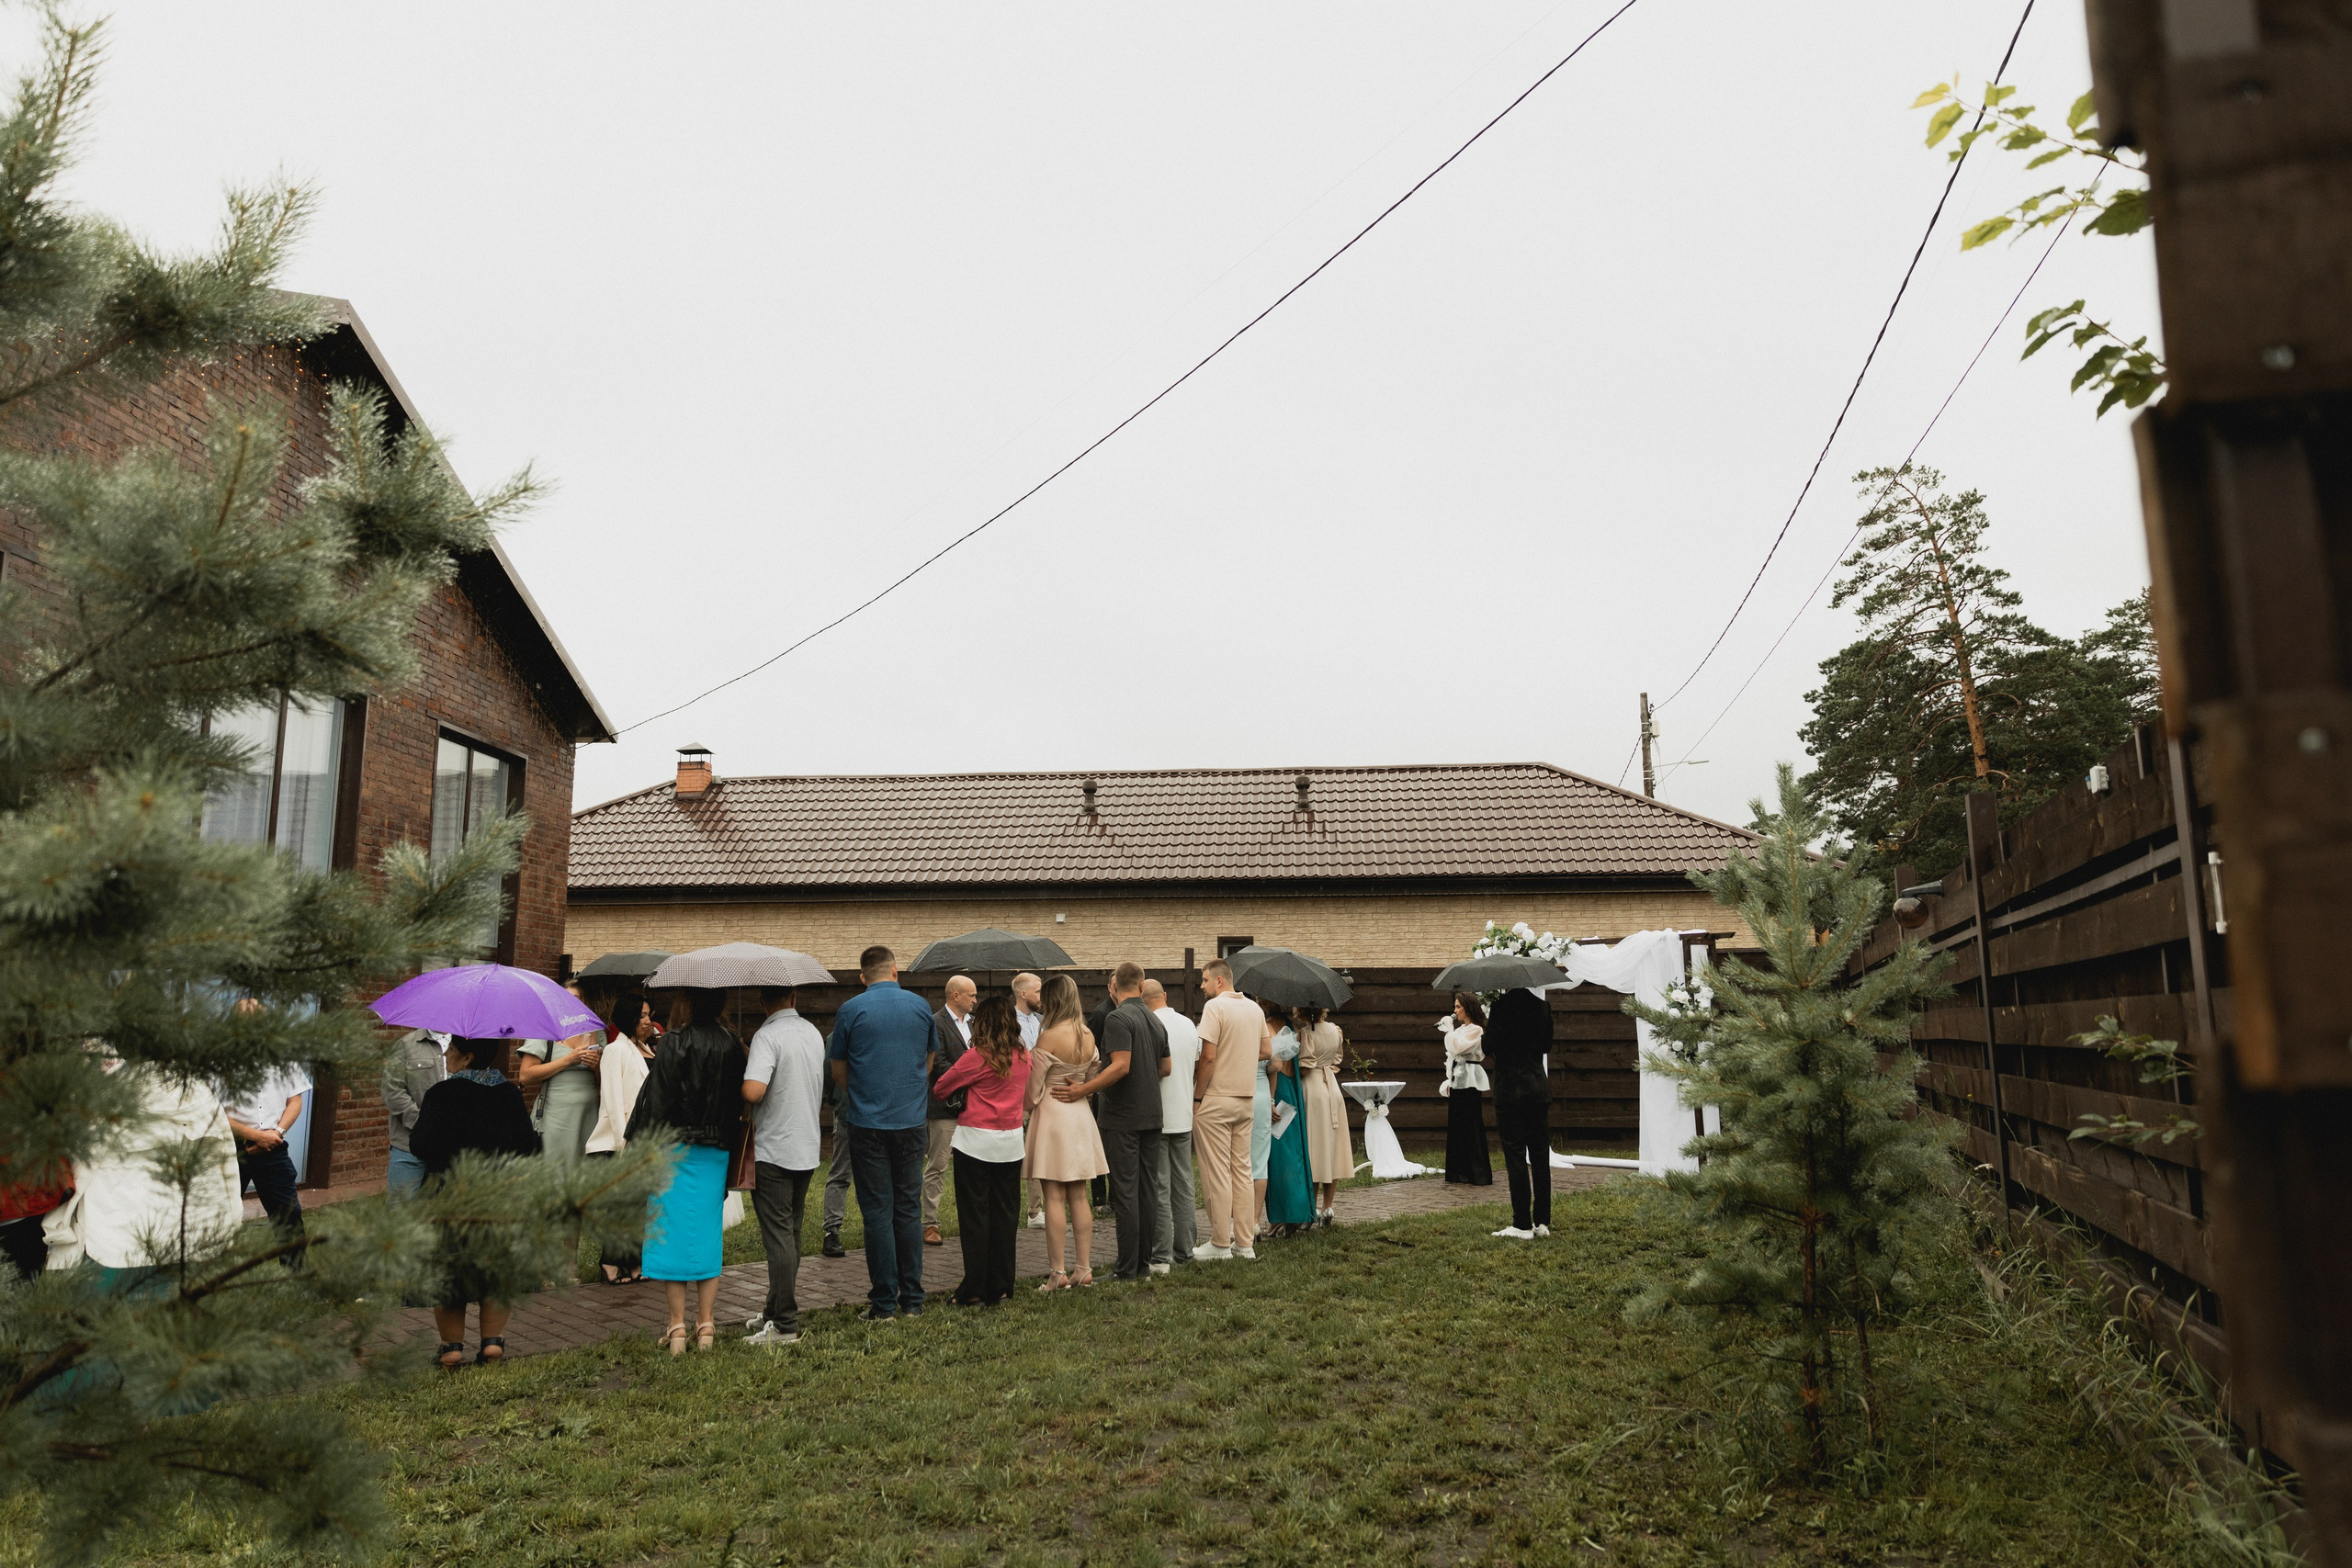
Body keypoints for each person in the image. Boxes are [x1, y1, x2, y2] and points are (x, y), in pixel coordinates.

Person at [627, 988, 747, 1351]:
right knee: (708, 1232)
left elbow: (659, 1102)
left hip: (672, 1149)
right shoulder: (731, 1045)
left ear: (688, 1003)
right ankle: (707, 1324)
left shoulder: (674, 1042)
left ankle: (677, 1327)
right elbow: (736, 1102)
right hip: (715, 1151)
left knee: (670, 1232)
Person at [409, 1036, 540, 1367]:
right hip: (498, 1199)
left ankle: (452, 1347)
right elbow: (528, 1148)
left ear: (467, 1057)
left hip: (447, 1196)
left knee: (449, 1270)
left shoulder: (440, 1094)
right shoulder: (509, 1094)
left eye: (452, 1049)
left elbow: (420, 1145)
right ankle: (492, 1342)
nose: (446, 1054)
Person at [827, 945, 937, 1321]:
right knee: (908, 1209)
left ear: (863, 977)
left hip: (867, 1123)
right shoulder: (921, 1007)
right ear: (895, 971)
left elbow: (838, 1069)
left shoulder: (850, 1010)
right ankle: (914, 1301)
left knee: (877, 1212)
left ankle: (884, 1303)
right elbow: (928, 1059)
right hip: (911, 1121)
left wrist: (861, 1094)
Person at [1052, 961, 1167, 1282]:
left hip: (1123, 1118)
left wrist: (1082, 1090)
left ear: (1115, 987)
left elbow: (1121, 1067)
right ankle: (1142, 1264)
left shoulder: (1117, 1018)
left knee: (1126, 1192)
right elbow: (1166, 1066)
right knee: (1146, 1190)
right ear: (1142, 987)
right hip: (1152, 1114)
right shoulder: (1155, 1021)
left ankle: (1126, 1268)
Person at [931, 993, 1030, 1304]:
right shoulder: (1025, 1056)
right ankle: (1001, 1284)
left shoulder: (978, 1056)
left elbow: (941, 1087)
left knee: (975, 1218)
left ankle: (974, 1287)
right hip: (1011, 1142)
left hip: (974, 1142)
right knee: (1005, 1217)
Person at [741, 985, 825, 1347]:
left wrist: (746, 1073)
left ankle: (785, 1325)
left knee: (778, 1237)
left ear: (762, 1002)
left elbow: (754, 1092)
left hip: (774, 1148)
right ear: (793, 998)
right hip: (807, 1146)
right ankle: (775, 1309)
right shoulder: (812, 1032)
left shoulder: (767, 1035)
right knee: (791, 1231)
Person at [1023, 974, 1107, 1290]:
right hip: (1080, 1114)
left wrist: (1026, 1104)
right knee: (1079, 1194)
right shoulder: (1087, 1034)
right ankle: (1083, 1268)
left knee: (1053, 1195)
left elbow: (1032, 1092)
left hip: (1053, 1114)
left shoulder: (1048, 1037)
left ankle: (1057, 1272)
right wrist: (1082, 1087)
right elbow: (1093, 1073)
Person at [1189, 958, 1261, 1262]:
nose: (1202, 986)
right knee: (1242, 1171)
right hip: (1246, 1098)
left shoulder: (1215, 1007)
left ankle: (1220, 1242)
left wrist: (1196, 1098)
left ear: (1220, 981)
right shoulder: (1255, 1009)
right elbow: (1268, 1051)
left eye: (1205, 980)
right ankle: (1245, 1244)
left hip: (1216, 1099)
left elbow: (1207, 1057)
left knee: (1217, 1172)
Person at [585, 995, 658, 1283]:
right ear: (628, 1017)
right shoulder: (616, 1050)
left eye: (649, 1015)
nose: (647, 1020)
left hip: (646, 1137)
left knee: (640, 1204)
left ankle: (634, 1261)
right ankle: (610, 1262)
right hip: (623, 1140)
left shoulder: (644, 1048)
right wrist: (622, 1142)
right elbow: (613, 1101)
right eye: (641, 1015)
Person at [1484, 987, 1555, 1240]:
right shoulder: (1542, 1007)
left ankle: (1522, 1223)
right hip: (1537, 1088)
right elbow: (1546, 1045)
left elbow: (1488, 1045)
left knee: (1515, 1156)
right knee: (1539, 1155)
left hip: (1509, 1091)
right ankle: (1543, 1221)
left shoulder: (1500, 1007)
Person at [1141, 979, 1198, 1269]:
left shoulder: (1146, 1025)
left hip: (1157, 1116)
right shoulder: (1189, 1025)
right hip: (1184, 1113)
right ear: (1164, 996)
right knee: (1185, 1183)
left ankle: (1160, 1254)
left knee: (1159, 1186)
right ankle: (1186, 1251)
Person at [221, 1063, 311, 1242]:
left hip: (273, 1147)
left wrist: (277, 1133)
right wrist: (256, 1136)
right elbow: (215, 1113)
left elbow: (295, 1101)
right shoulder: (220, 1062)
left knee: (289, 1216)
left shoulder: (285, 1058)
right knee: (221, 1217)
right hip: (230, 1149)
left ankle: (296, 1270)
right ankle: (215, 1268)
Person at [516, 984, 604, 1164]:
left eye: (575, 998)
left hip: (588, 1112)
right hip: (557, 1113)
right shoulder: (544, 1028)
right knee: (555, 1167)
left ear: (584, 1003)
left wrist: (596, 1066)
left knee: (585, 1172)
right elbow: (525, 1075)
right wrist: (569, 1060)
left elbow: (603, 1081)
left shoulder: (595, 1030)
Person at [922, 974, 976, 1247]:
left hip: (973, 1107)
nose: (975, 1000)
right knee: (938, 1165)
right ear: (956, 995)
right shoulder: (936, 1023)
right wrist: (970, 1075)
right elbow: (938, 1063)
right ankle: (930, 1223)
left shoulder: (976, 1024)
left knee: (972, 1166)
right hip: (944, 1107)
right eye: (971, 995)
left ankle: (971, 1220)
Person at [1291, 1006, 1350, 1227]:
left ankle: (1310, 1208)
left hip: (1313, 1090)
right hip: (1332, 1089)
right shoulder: (1335, 1031)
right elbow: (1336, 1060)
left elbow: (1304, 1068)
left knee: (1314, 1148)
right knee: (1331, 1146)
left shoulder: (1305, 1034)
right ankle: (1328, 1206)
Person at [1262, 1000, 1315, 1233]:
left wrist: (1271, 1100)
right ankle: (1297, 1212)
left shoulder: (1269, 1026)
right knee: (1295, 1152)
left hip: (1279, 1091)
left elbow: (1276, 1064)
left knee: (1277, 1156)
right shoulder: (1292, 1026)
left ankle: (1280, 1216)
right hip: (1293, 1091)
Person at [382, 1027, 447, 1200]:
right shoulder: (406, 1045)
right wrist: (423, 1124)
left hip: (447, 1147)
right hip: (408, 1145)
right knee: (400, 1211)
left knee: (441, 1213)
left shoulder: (463, 1048)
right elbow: (392, 1092)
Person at [1441, 993, 1493, 1187]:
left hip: (1469, 1079)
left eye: (1458, 1007)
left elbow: (1457, 1047)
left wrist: (1448, 1030)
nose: (1455, 1011)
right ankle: (1458, 1172)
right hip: (1458, 1078)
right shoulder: (1462, 1029)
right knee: (1457, 1125)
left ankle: (1477, 1173)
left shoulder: (1476, 1029)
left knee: (1471, 1123)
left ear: (1467, 1008)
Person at [1012, 970, 1046, 1228]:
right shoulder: (1009, 1023)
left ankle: (1035, 1210)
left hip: (1042, 1093)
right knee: (1016, 1152)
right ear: (1023, 994)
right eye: (1038, 991)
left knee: (1037, 1150)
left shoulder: (1042, 1021)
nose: (1041, 996)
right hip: (1017, 1094)